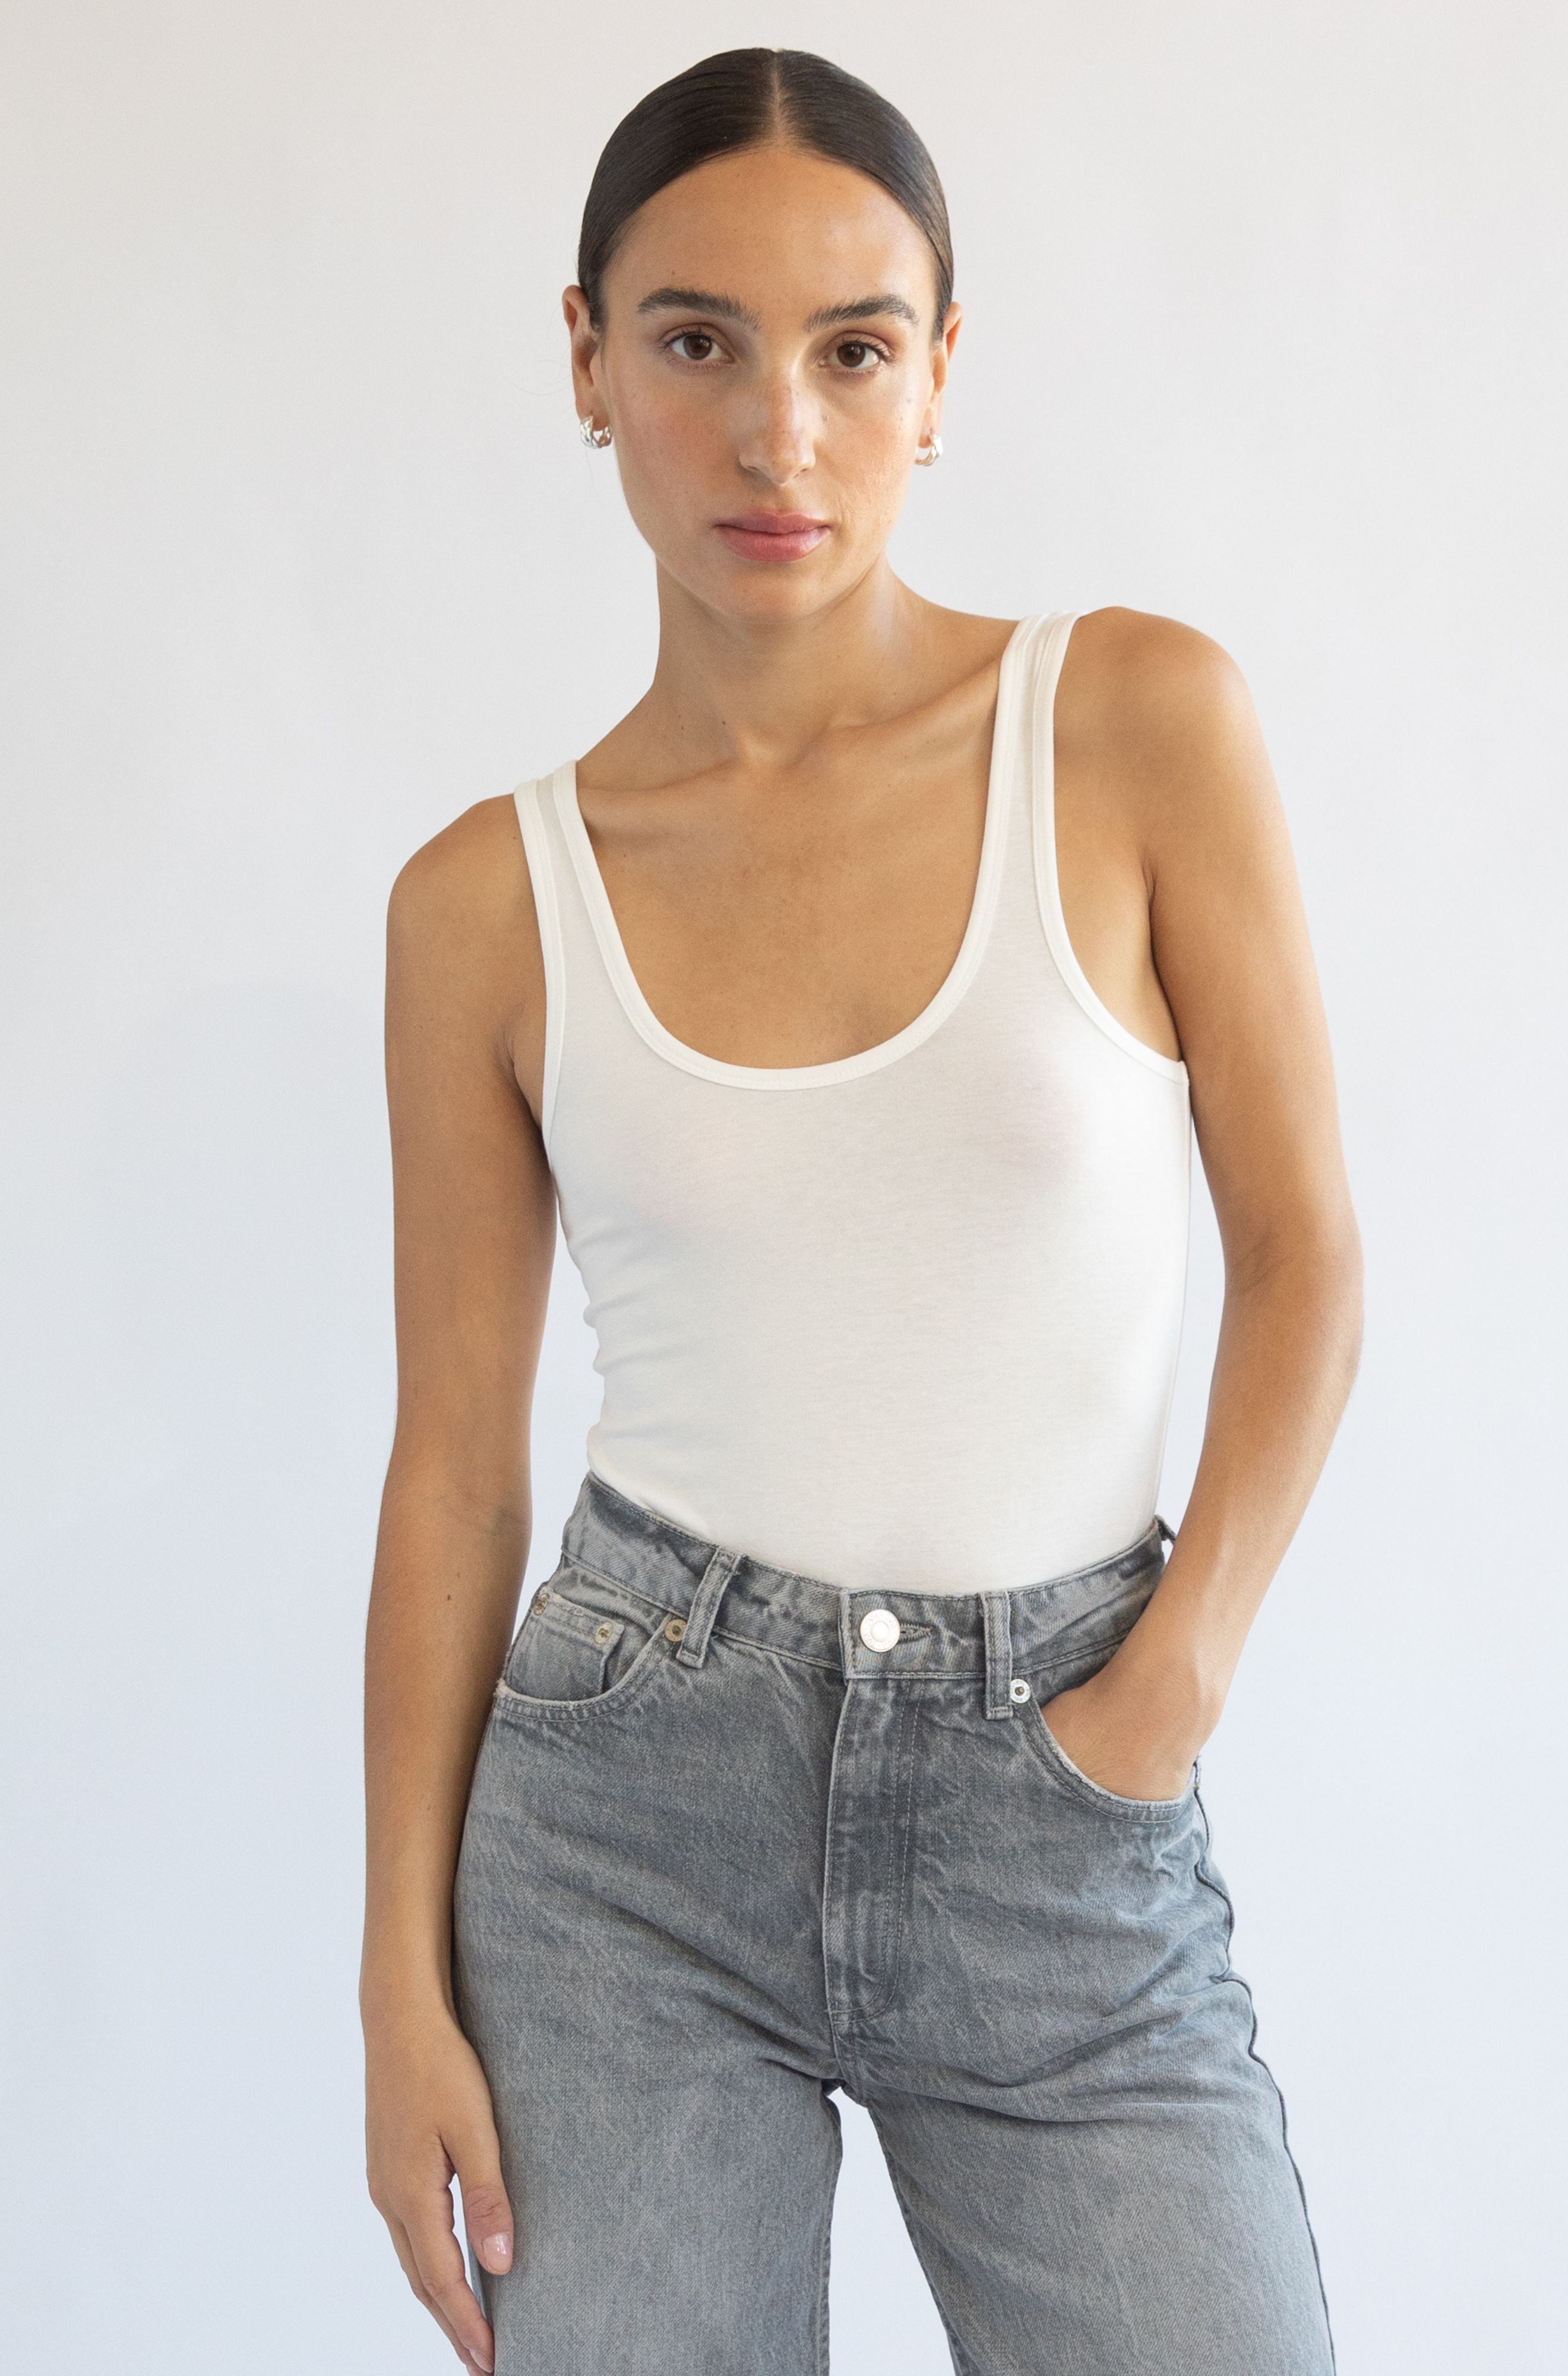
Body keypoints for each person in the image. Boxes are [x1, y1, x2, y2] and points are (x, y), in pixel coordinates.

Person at [359, 46, 1361, 2376]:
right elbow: (446, 1464)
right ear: (589, 360)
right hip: (625, 1824)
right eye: (695, 340)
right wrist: (397, 1984)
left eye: (852, 347)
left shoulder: (1129, 726)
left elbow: (1309, 1256)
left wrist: (1170, 1680)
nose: (775, 433)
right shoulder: (482, 911)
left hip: (1060, 1787)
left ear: (940, 376)